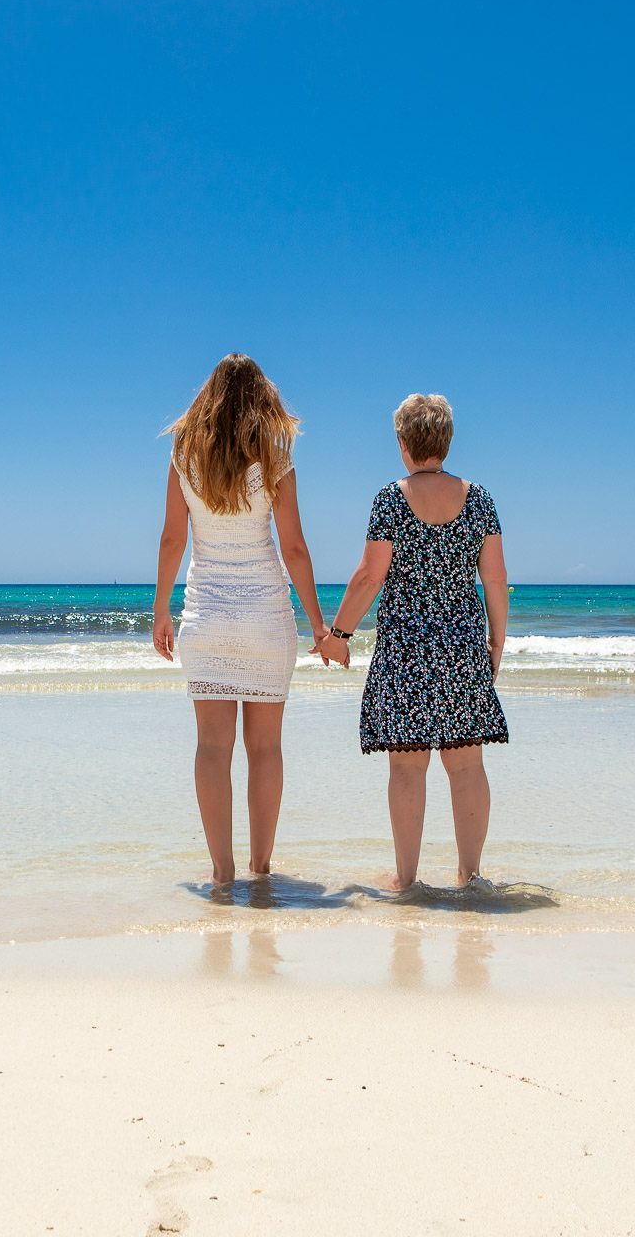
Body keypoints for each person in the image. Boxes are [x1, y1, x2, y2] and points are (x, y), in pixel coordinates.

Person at [153, 354, 333, 886]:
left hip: (206, 617)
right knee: (266, 749)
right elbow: (295, 547)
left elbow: (172, 539)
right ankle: (261, 868)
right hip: (265, 617)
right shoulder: (275, 459)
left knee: (212, 748)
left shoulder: (185, 457)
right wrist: (319, 625)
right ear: (262, 400)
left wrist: (161, 608)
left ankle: (222, 873)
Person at [320, 394, 509, 889]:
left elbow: (368, 576)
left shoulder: (390, 500)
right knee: (466, 766)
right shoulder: (481, 500)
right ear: (446, 441)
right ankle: (470, 877)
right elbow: (494, 579)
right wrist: (497, 641)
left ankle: (406, 880)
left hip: (405, 647)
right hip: (462, 645)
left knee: (407, 769)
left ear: (403, 443)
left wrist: (338, 635)